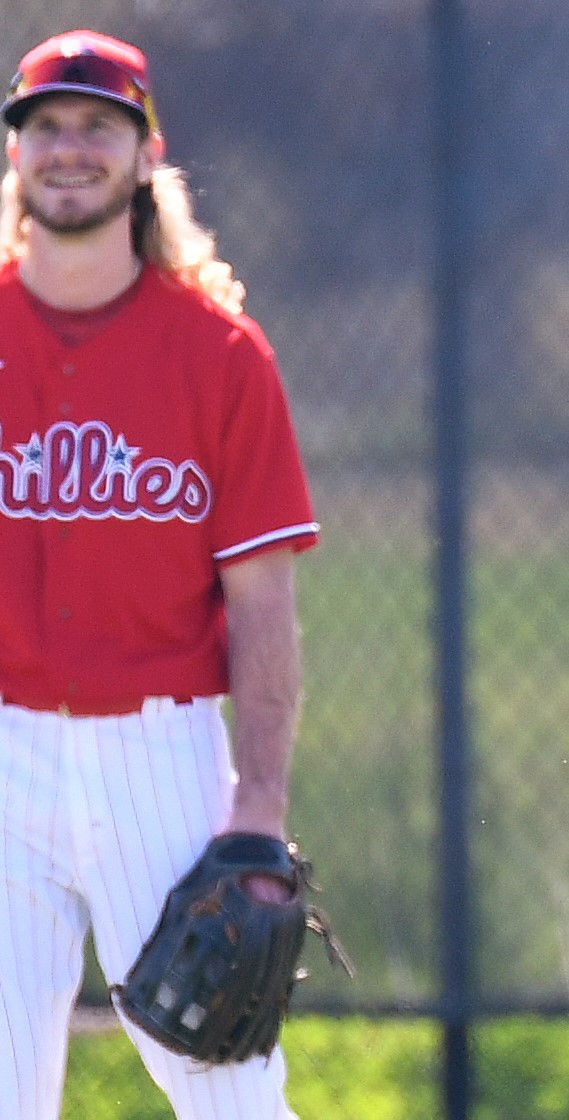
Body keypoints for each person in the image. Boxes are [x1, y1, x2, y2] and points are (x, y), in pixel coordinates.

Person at [0, 30, 320, 1119]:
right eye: (47, 126)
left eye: (101, 125)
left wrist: (259, 806)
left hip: (164, 758)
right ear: (17, 156)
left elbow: (263, 607)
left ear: (146, 156)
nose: (71, 148)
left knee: (228, 1086)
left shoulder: (220, 355)